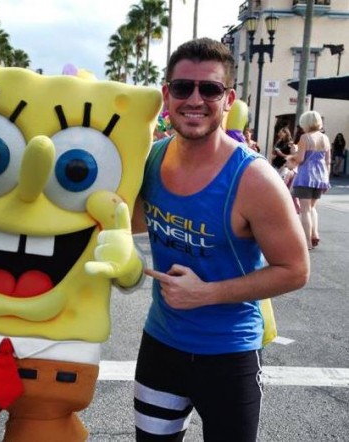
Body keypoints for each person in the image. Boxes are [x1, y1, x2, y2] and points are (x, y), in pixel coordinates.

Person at [130, 38, 309, 441]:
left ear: (228, 99)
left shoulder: (254, 179)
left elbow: (295, 270)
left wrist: (206, 294)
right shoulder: (150, 160)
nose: (195, 100)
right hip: (161, 347)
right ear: (166, 95)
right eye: (183, 87)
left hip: (230, 357)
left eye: (209, 89)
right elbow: (128, 222)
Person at [289, 110, 331, 250]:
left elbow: (300, 159)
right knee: (313, 208)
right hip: (320, 176)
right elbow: (328, 161)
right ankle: (315, 233)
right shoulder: (325, 138)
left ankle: (307, 241)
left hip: (306, 176)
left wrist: (293, 154)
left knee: (305, 210)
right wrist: (326, 178)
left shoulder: (305, 138)